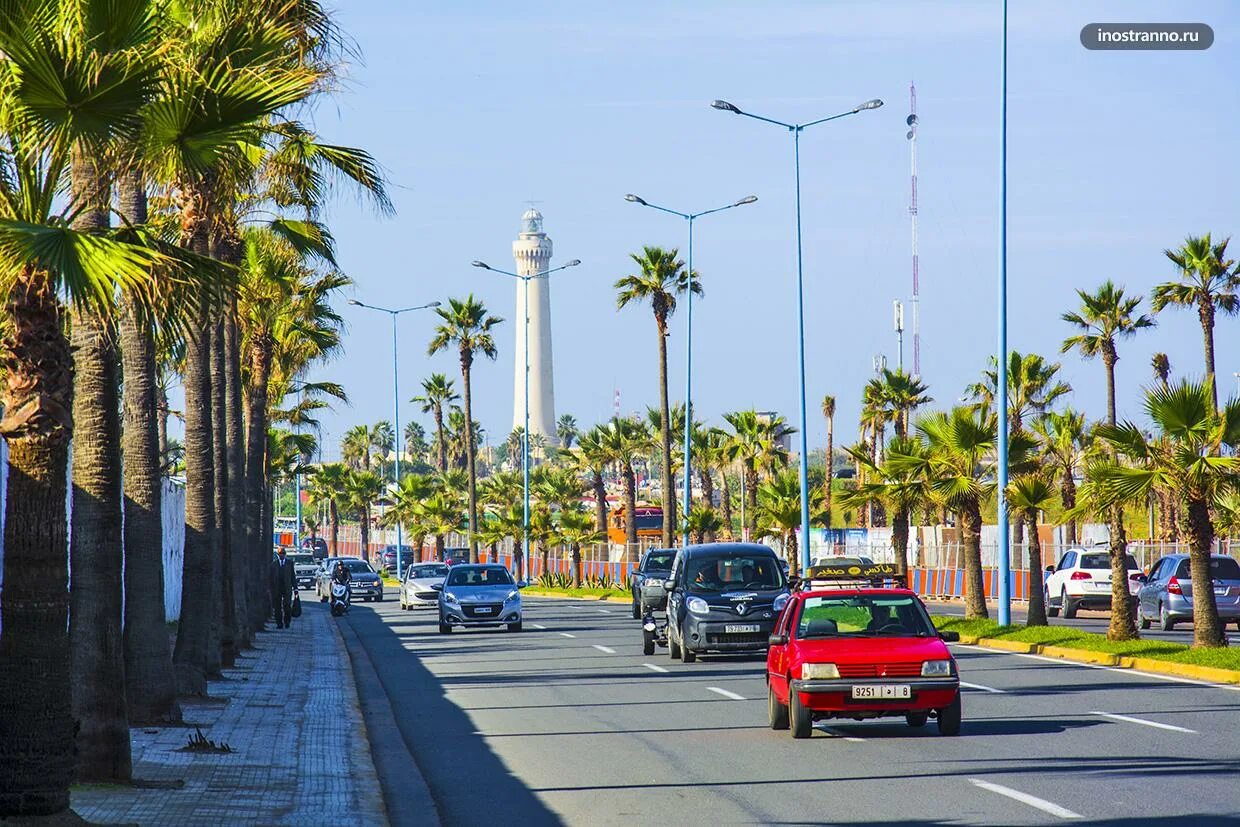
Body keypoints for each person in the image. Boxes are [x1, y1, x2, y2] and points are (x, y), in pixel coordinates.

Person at [270, 547, 296, 629]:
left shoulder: (289, 563)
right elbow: (270, 578)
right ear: (278, 555)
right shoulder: (273, 565)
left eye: (283, 554)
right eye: (280, 554)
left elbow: (292, 576)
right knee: (277, 607)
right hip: (276, 588)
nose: (282, 555)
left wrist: (295, 588)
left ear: (285, 554)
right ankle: (279, 623)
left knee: (287, 606)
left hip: (287, 588)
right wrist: (269, 589)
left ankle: (287, 622)